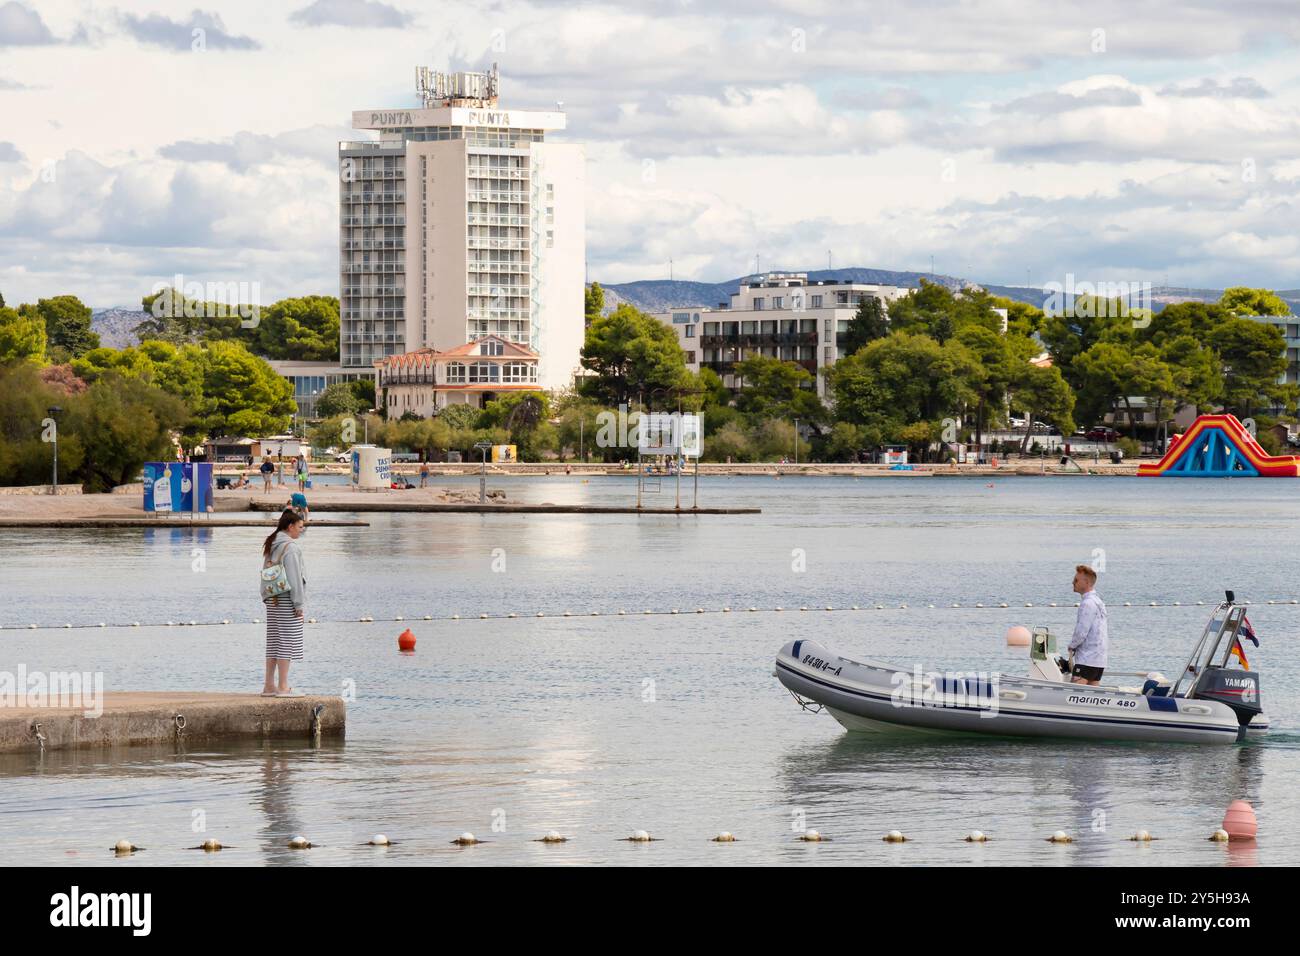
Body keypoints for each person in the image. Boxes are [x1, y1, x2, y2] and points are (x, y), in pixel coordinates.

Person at [261, 509, 307, 697]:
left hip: (272, 599)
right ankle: (283, 687)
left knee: (273, 641)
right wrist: (299, 604)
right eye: (300, 527)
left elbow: (265, 572)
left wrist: (265, 596)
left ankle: (269, 686)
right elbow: (295, 578)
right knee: (287, 642)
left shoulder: (272, 544)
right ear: (290, 527)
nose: (301, 531)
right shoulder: (291, 548)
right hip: (287, 599)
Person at [1068, 564, 1108, 685]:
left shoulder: (1087, 603)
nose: (1073, 582)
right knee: (1092, 696)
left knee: (1074, 694)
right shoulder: (1099, 602)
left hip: (1086, 658)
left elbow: (1081, 631)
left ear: (1086, 583)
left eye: (1076, 580)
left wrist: (1072, 646)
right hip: (1099, 659)